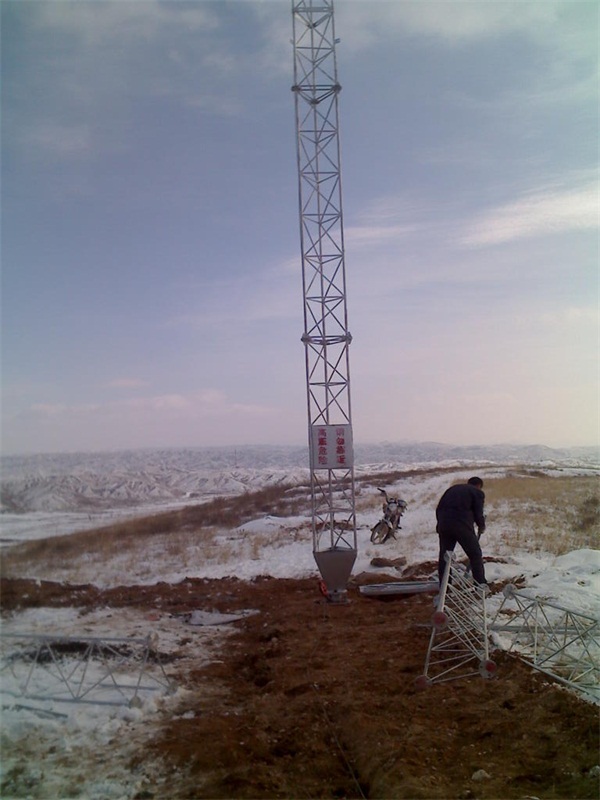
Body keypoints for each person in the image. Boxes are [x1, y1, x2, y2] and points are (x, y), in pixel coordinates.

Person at [436, 476, 487, 586]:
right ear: (479, 486)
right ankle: (480, 585)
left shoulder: (452, 489)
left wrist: (440, 524)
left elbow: (439, 508)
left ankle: (444, 587)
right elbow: (478, 513)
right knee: (475, 554)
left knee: (445, 557)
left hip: (444, 525)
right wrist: (481, 526)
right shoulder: (477, 492)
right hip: (461, 526)